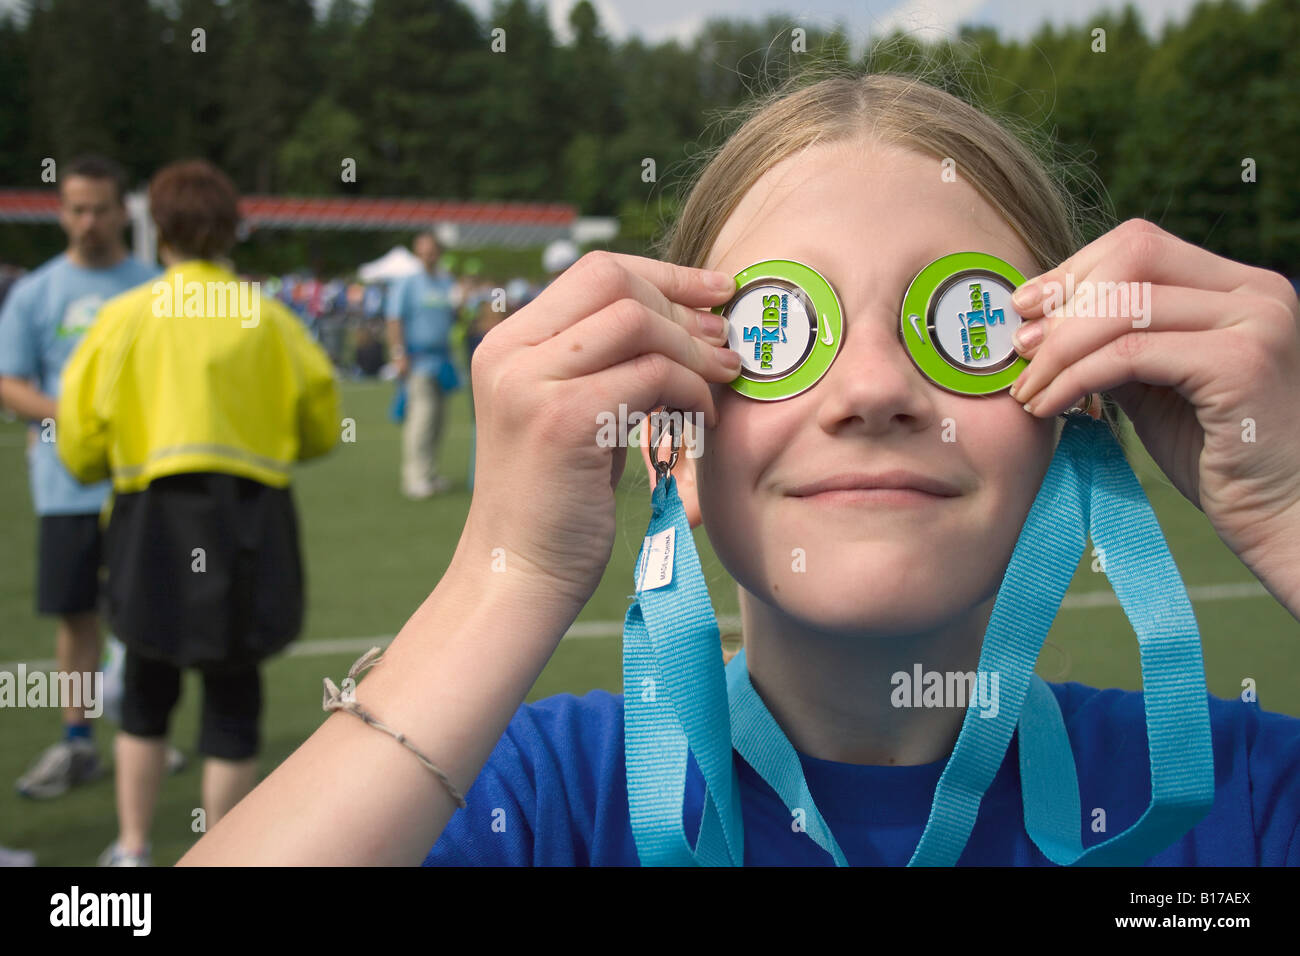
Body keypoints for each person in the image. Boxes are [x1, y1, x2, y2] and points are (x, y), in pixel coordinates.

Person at [178, 71, 1300, 866]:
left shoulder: (1228, 792)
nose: (870, 389)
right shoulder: (537, 799)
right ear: (670, 415)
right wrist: (504, 573)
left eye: (963, 323)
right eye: (775, 329)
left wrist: (1292, 509)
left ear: (1075, 404)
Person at [56, 159, 340, 866]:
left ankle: (131, 848)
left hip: (149, 523)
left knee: (147, 693)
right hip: (250, 523)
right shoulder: (269, 319)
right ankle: (225, 852)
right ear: (229, 230)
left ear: (159, 228)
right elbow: (320, 427)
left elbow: (79, 444)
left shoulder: (123, 319)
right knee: (233, 698)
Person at [0, 155, 159, 800]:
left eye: (100, 208)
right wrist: (77, 417)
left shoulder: (154, 287)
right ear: (61, 212)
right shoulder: (36, 292)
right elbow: (9, 382)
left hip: (143, 485)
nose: (88, 221)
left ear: (125, 212)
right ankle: (76, 739)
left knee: (145, 612)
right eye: (76, 208)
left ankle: (145, 735)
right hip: (65, 485)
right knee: (75, 614)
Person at [385, 230, 464, 498]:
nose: (428, 255)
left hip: (442, 358)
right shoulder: (407, 283)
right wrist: (398, 354)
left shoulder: (446, 281)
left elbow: (454, 317)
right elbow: (394, 319)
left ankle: (430, 472)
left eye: (432, 250)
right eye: (423, 251)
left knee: (439, 419)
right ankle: (415, 476)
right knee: (422, 417)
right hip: (418, 359)